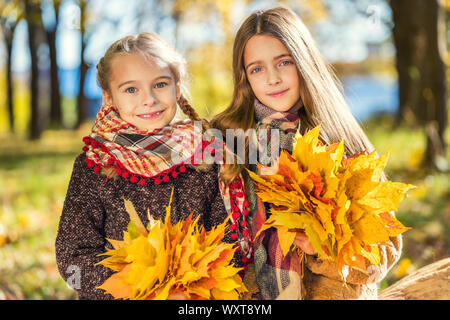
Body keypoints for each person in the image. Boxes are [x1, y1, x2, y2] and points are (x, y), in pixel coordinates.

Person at [211, 7, 402, 300]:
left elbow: (387, 246)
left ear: (304, 62)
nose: (272, 78)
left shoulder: (340, 140)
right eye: (257, 69)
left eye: (283, 62)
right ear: (244, 78)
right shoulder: (228, 141)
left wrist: (324, 248)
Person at [55, 33, 248, 300]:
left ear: (177, 89)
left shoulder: (206, 158)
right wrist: (142, 291)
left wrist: (194, 291)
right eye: (131, 89)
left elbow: (229, 241)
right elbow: (73, 257)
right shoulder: (95, 165)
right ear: (109, 98)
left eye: (160, 84)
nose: (148, 99)